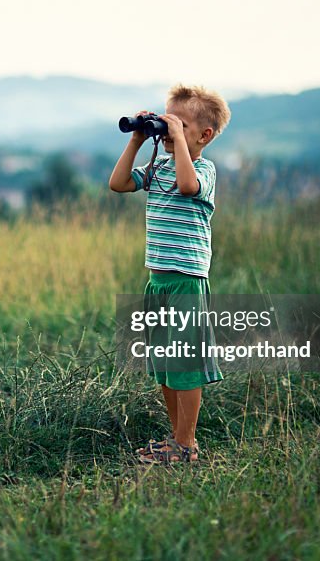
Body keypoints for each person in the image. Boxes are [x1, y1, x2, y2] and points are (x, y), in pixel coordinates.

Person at [108, 84, 231, 464]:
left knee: (183, 365)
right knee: (164, 361)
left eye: (179, 124)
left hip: (185, 281)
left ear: (204, 135)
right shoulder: (158, 167)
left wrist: (177, 139)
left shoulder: (204, 171)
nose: (169, 130)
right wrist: (139, 140)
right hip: (157, 280)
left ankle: (187, 444)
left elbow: (187, 185)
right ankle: (177, 436)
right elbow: (119, 183)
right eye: (167, 120)